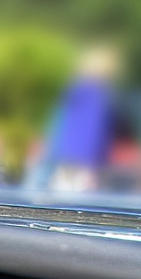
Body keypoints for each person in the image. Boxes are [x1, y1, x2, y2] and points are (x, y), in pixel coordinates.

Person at [38, 44, 123, 193]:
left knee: (62, 190)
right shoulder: (101, 96)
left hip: (67, 153)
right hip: (85, 157)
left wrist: (51, 148)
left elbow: (59, 122)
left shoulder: (75, 90)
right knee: (80, 193)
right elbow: (99, 131)